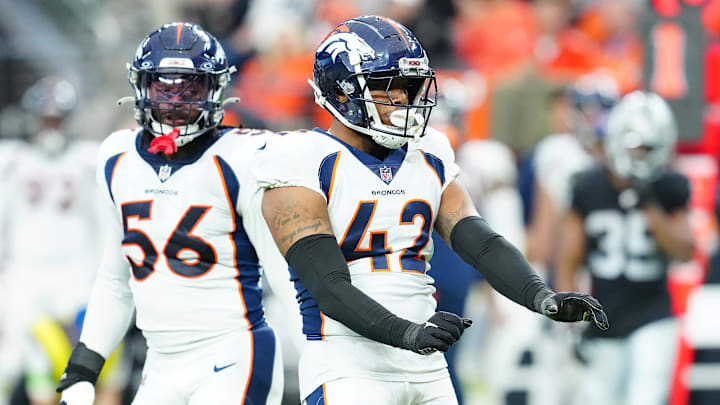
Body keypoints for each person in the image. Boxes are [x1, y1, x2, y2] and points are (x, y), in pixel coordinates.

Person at [252, 15, 609, 404]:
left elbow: (481, 243)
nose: (405, 100)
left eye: (409, 87)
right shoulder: (299, 158)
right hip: (349, 365)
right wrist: (409, 333)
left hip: (426, 364)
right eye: (389, 88)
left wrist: (542, 297)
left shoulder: (430, 150)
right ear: (341, 92)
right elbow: (329, 287)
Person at [54, 22, 286, 405]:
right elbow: (116, 280)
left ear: (215, 90)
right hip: (161, 367)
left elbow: (286, 278)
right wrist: (83, 367)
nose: (176, 104)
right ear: (141, 87)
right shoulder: (116, 157)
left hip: (234, 355)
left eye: (190, 90)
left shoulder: (244, 157)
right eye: (164, 89)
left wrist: (322, 359)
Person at [555, 91, 695, 405]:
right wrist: (568, 319)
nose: (640, 156)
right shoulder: (588, 185)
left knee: (646, 397)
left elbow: (685, 250)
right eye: (635, 147)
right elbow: (568, 258)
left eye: (648, 149)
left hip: (653, 315)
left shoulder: (668, 186)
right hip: (602, 317)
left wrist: (648, 201)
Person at [0, 76, 125, 405]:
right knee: (31, 368)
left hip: (79, 274)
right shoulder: (11, 159)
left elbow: (106, 222)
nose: (51, 125)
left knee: (102, 367)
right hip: (27, 276)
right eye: (46, 117)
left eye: (57, 118)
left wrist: (106, 277)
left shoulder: (89, 158)